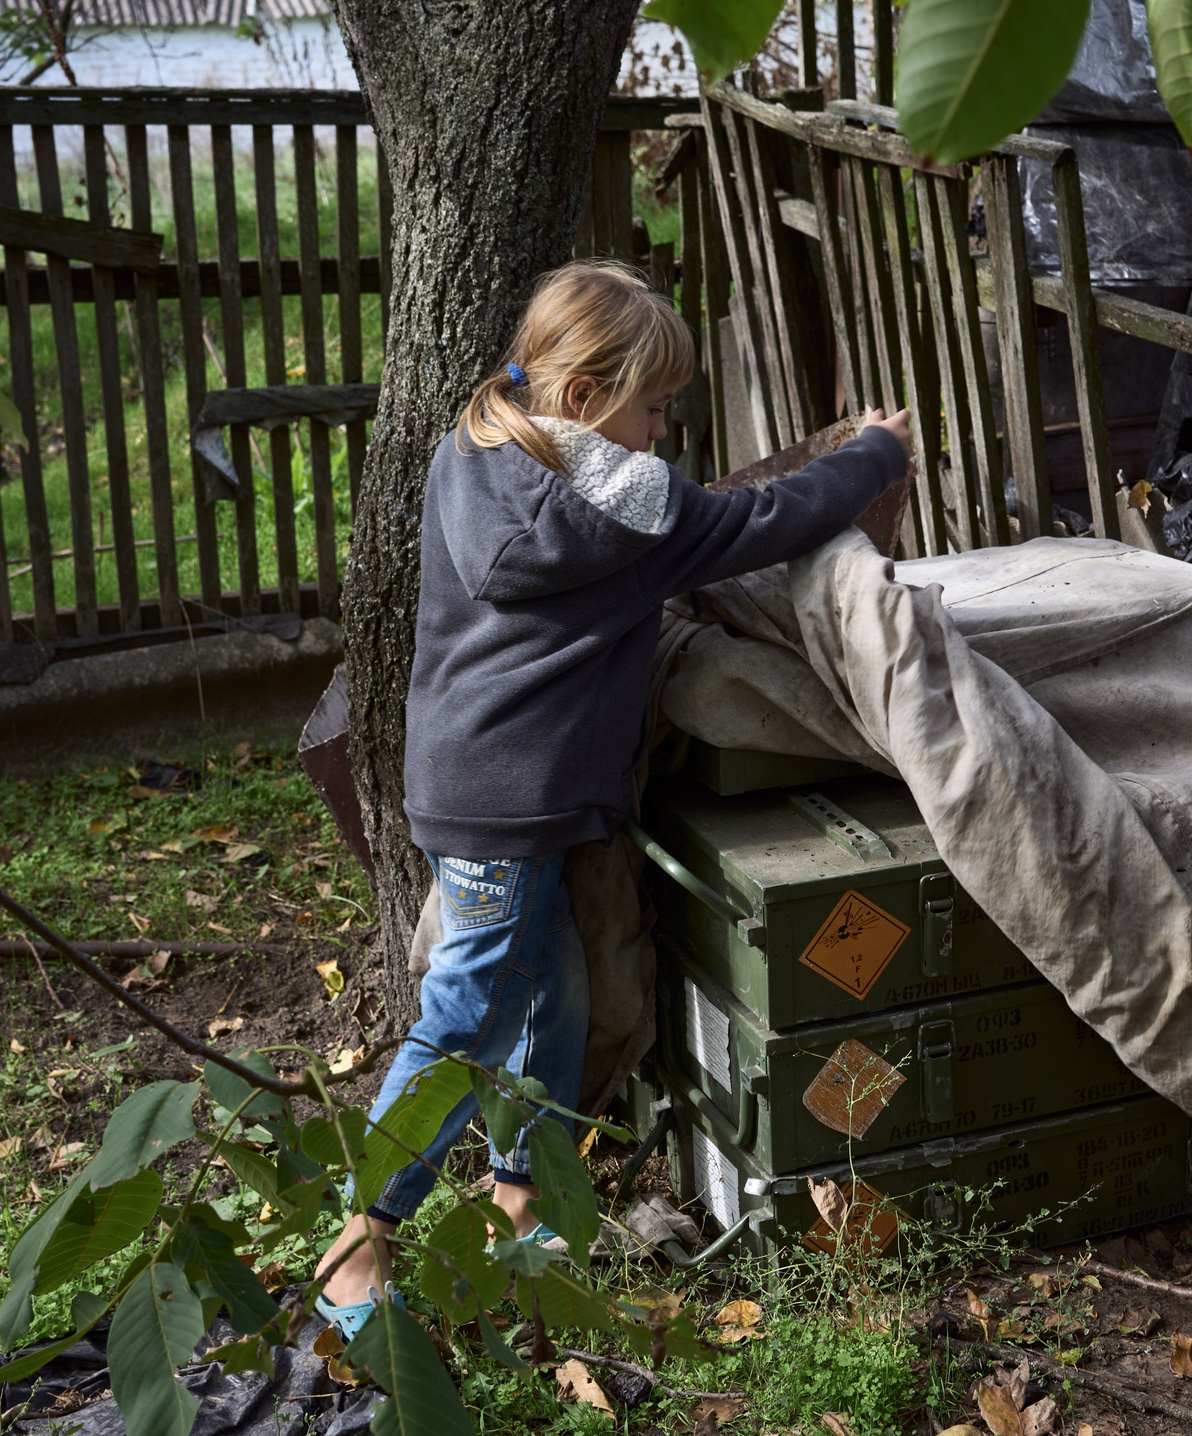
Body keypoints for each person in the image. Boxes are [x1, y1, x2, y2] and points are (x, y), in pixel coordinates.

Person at [314, 258, 912, 1334]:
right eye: (653, 407)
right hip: (513, 804)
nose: (661, 433)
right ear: (586, 399)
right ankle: (359, 1244)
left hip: (466, 779)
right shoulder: (625, 517)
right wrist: (873, 451)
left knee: (557, 1000)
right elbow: (771, 519)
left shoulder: (480, 439)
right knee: (463, 1016)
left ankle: (523, 1208)